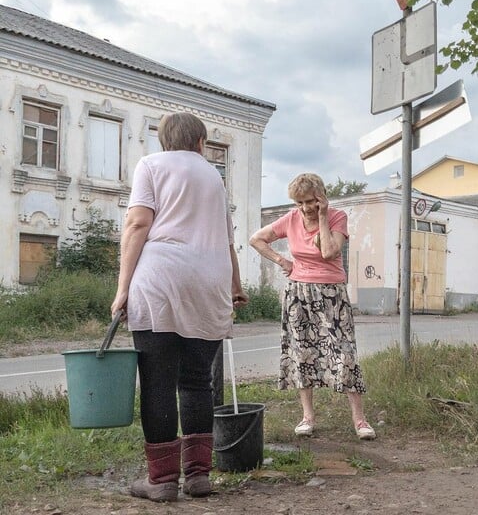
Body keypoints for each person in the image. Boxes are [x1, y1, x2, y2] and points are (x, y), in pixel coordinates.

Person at [111, 112, 248, 502]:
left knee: (157, 381)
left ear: (164, 142)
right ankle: (199, 476)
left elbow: (138, 224)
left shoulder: (151, 165)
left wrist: (122, 289)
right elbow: (226, 241)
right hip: (210, 281)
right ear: (201, 143)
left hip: (162, 280)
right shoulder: (214, 177)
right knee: (196, 380)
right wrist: (235, 287)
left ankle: (162, 481)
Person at [249, 173, 376, 440]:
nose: (305, 208)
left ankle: (360, 420)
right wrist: (282, 262)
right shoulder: (291, 219)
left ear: (321, 198)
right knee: (303, 352)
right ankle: (307, 417)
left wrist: (322, 217)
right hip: (298, 292)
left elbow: (329, 252)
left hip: (332, 294)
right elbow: (256, 239)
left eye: (310, 201)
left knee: (345, 354)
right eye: (300, 203)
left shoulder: (337, 217)